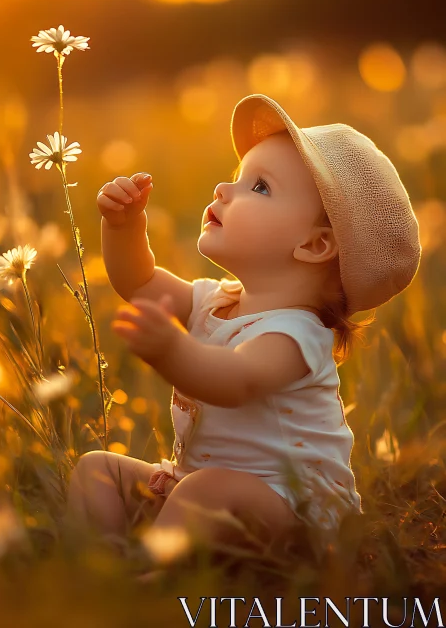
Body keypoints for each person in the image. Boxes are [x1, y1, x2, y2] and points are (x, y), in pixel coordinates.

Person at [65, 93, 422, 565]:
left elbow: (234, 381)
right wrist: (124, 228)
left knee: (208, 489)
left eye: (258, 187)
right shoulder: (217, 299)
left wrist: (172, 349)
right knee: (99, 470)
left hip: (294, 513)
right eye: (237, 177)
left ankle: (147, 580)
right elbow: (141, 282)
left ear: (315, 245)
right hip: (197, 489)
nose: (222, 189)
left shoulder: (296, 335)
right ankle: (101, 566)